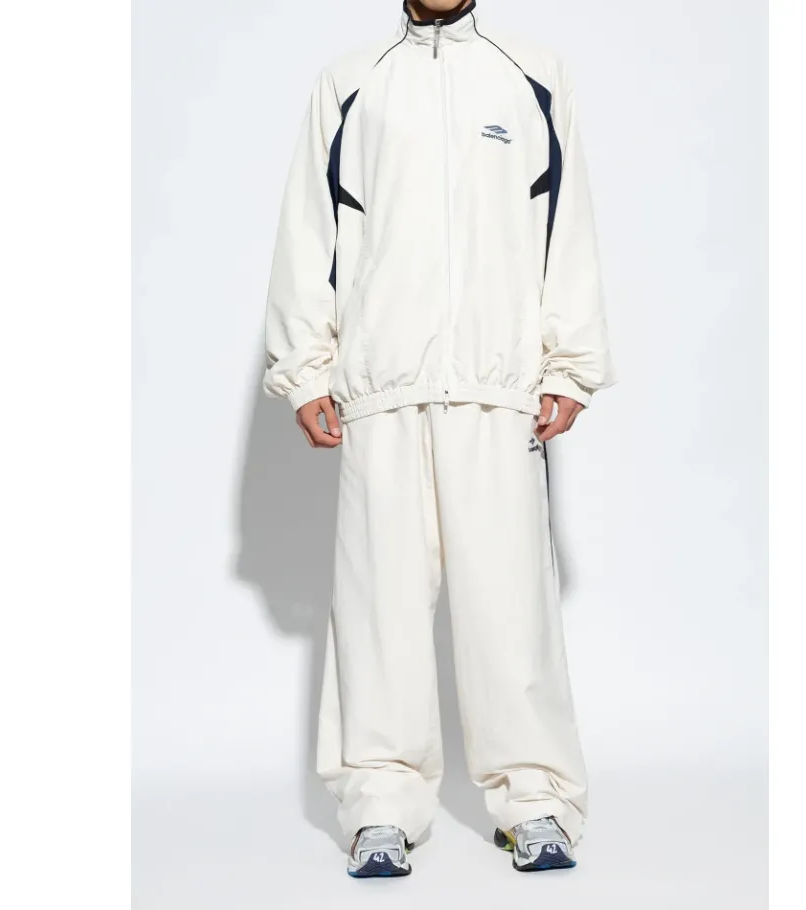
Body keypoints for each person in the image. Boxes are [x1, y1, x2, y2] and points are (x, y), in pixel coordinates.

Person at [263, 0, 614, 877]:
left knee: (511, 607)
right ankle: (380, 804)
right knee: (377, 610)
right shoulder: (351, 83)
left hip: (499, 390)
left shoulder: (532, 74)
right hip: (380, 388)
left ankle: (534, 799)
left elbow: (564, 225)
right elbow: (309, 232)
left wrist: (570, 365)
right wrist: (306, 370)